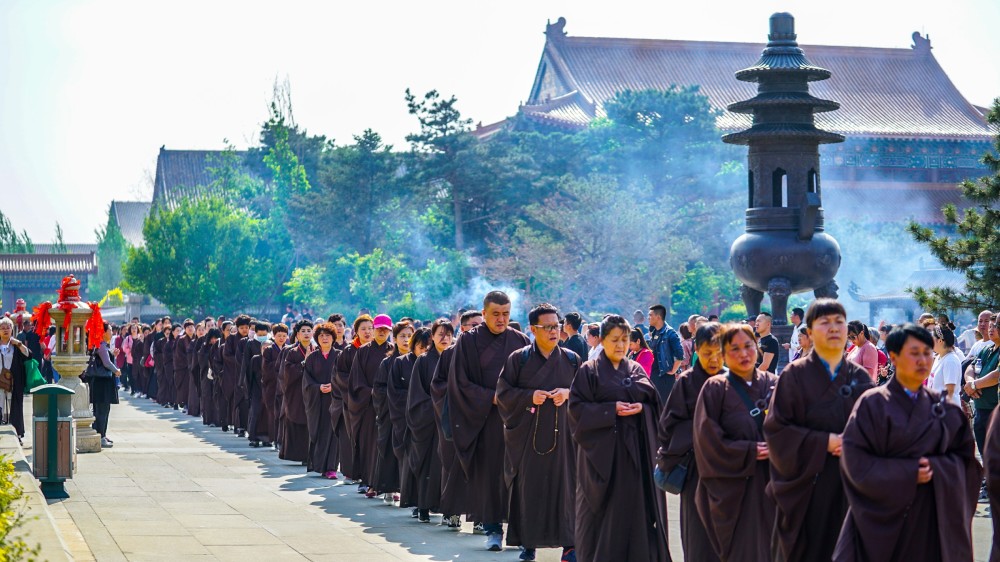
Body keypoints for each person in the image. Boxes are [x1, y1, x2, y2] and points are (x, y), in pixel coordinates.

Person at [833, 324, 981, 561]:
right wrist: (906, 472)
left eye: (927, 353)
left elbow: (968, 465)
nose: (923, 360)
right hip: (881, 519)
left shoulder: (945, 410)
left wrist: (938, 468)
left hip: (930, 519)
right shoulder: (872, 404)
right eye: (914, 353)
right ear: (893, 357)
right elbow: (854, 460)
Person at [764, 299, 873, 562]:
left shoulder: (860, 378)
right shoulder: (794, 375)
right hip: (806, 490)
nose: (834, 328)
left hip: (850, 488)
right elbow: (777, 431)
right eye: (825, 322)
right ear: (810, 332)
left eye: (839, 322)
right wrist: (824, 442)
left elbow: (877, 431)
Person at [568, 314, 668, 562]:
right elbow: (576, 410)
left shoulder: (635, 369)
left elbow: (654, 404)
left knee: (634, 511)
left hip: (633, 454)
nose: (621, 345)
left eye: (625, 339)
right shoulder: (589, 371)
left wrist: (642, 409)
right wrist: (609, 410)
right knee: (600, 514)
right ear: (602, 340)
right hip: (600, 457)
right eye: (614, 340)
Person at [447, 291, 530, 551]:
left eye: (506, 314)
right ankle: (493, 529)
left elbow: (531, 379)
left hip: (516, 420)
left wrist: (516, 399)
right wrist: (490, 397)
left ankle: (521, 531)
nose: (501, 319)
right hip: (485, 418)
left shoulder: (520, 340)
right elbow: (459, 382)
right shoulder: (468, 341)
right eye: (495, 314)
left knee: (520, 476)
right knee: (490, 476)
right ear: (484, 314)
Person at [496, 304, 579, 562]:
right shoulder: (519, 359)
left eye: (557, 326)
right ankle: (528, 544)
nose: (555, 331)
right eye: (548, 327)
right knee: (530, 488)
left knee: (567, 488)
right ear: (533, 329)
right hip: (529, 436)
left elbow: (588, 394)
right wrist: (529, 396)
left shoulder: (572, 359)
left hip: (564, 437)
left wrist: (568, 393)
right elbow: (503, 394)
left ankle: (570, 545)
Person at [693, 323, 777, 562]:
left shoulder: (775, 384)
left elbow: (794, 428)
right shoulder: (715, 389)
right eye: (735, 348)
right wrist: (748, 451)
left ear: (757, 348)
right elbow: (707, 440)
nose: (743, 354)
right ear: (724, 353)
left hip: (772, 485)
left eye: (748, 346)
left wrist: (780, 447)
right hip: (733, 489)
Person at [656, 322, 724, 562]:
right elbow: (667, 427)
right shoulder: (686, 382)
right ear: (696, 349)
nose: (713, 359)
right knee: (698, 536)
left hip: (731, 469)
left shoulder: (733, 380)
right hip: (695, 470)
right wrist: (701, 430)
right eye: (707, 353)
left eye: (718, 352)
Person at [407, 320, 453, 524]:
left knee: (449, 466)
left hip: (451, 422)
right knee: (428, 466)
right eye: (440, 334)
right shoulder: (423, 361)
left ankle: (448, 509)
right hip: (429, 422)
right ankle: (423, 506)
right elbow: (416, 394)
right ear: (432, 336)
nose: (445, 338)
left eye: (449, 334)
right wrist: (438, 407)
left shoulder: (457, 359)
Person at [348, 313, 395, 494]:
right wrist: (373, 393)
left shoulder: (394, 351)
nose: (382, 332)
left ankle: (385, 483)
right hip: (368, 406)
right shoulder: (363, 351)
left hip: (389, 405)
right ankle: (366, 479)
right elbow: (356, 380)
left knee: (386, 444)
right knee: (368, 443)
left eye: (386, 329)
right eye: (379, 328)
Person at [430, 318, 468, 530]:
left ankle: (481, 518)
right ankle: (451, 511)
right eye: (471, 326)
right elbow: (437, 386)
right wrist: (462, 393)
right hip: (453, 418)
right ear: (463, 328)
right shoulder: (449, 354)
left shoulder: (490, 352)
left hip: (482, 418)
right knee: (452, 463)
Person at [334, 315, 374, 484]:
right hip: (353, 401)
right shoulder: (349, 351)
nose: (367, 332)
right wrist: (357, 389)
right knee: (352, 436)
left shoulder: (380, 350)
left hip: (375, 400)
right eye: (363, 329)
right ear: (356, 331)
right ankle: (351, 472)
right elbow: (340, 375)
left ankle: (370, 474)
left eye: (370, 328)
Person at [372, 322, 409, 500]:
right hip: (390, 413)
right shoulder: (387, 362)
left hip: (411, 413)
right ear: (394, 339)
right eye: (402, 336)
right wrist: (394, 398)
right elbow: (379, 388)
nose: (406, 340)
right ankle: (388, 487)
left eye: (409, 336)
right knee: (388, 448)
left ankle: (405, 487)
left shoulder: (418, 360)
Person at [302, 322, 340, 476]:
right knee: (319, 432)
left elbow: (346, 377)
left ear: (333, 337)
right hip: (317, 402)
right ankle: (320, 466)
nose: (324, 338)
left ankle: (331, 467)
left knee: (334, 433)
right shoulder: (312, 358)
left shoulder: (340, 355)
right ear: (317, 338)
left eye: (328, 335)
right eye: (321, 335)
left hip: (336, 400)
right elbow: (306, 381)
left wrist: (334, 386)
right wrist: (318, 387)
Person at [279, 320, 314, 464]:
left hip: (313, 392)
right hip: (296, 392)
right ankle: (300, 455)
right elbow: (287, 372)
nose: (306, 334)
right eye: (303, 331)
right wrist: (304, 363)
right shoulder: (292, 352)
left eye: (309, 331)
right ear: (297, 335)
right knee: (298, 421)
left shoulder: (317, 350)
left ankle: (311, 456)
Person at [86, 321, 121, 448]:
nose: (111, 332)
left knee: (102, 410)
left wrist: (113, 355)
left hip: (101, 382)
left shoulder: (103, 345)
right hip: (101, 382)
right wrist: (116, 371)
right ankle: (100, 436)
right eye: (110, 330)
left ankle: (101, 434)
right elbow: (106, 363)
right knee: (101, 410)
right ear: (104, 332)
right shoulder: (101, 345)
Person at [0, 318, 29, 440]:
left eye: (8, 327)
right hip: (0, 381)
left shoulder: (16, 345)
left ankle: (17, 434)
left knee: (14, 407)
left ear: (12, 329)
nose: (5, 330)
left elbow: (28, 355)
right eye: (2, 328)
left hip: (14, 382)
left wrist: (19, 344)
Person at [648, 304, 684, 401]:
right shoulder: (654, 332)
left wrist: (673, 371)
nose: (648, 318)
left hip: (665, 378)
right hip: (654, 376)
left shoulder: (670, 333)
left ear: (658, 317)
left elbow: (680, 355)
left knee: (663, 405)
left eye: (650, 315)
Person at [243, 321, 271, 447]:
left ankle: (267, 438)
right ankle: (254, 437)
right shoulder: (250, 345)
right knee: (255, 411)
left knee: (267, 412)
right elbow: (246, 369)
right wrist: (246, 387)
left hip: (269, 387)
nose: (262, 337)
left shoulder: (271, 345)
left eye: (264, 335)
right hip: (256, 386)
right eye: (260, 335)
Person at [261, 323, 287, 449]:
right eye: (279, 335)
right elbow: (265, 369)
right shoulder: (269, 350)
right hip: (272, 386)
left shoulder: (289, 350)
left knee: (284, 414)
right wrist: (280, 368)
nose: (281, 338)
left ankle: (283, 440)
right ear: (273, 336)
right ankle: (275, 439)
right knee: (273, 414)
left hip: (286, 387)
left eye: (284, 336)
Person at [930, 324, 962, 407]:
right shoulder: (939, 357)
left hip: (947, 410)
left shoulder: (950, 360)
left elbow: (949, 391)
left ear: (940, 341)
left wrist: (939, 410)